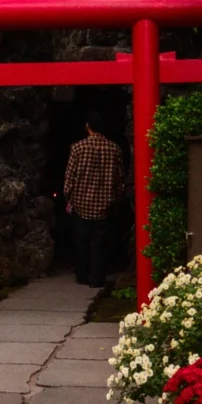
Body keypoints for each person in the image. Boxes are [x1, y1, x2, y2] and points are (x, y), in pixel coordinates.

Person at [63, 110, 124, 288]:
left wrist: (69, 198)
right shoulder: (115, 149)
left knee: (81, 241)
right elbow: (119, 180)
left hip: (81, 203)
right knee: (100, 243)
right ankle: (97, 278)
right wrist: (116, 201)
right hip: (105, 205)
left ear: (87, 127)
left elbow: (69, 178)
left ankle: (82, 274)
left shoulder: (77, 148)